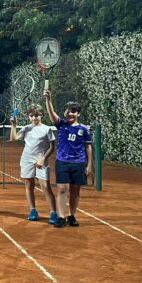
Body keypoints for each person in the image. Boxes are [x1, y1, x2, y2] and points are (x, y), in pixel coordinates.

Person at [44, 91, 93, 228]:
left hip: (79, 163)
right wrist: (48, 99)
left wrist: (89, 165)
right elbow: (51, 113)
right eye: (68, 111)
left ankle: (71, 216)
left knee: (75, 190)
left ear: (78, 114)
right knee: (61, 189)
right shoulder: (61, 125)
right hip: (62, 162)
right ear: (65, 112)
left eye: (73, 111)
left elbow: (88, 147)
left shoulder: (84, 129)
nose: (70, 113)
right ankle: (61, 217)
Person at [9, 104, 57, 223]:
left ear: (41, 115)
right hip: (26, 160)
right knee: (29, 185)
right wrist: (13, 125)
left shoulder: (47, 129)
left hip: (41, 161)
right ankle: (33, 210)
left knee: (45, 186)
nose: (34, 118)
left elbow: (52, 147)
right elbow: (14, 138)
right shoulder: (26, 128)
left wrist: (43, 159)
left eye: (37, 115)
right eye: (31, 116)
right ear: (29, 117)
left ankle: (53, 213)